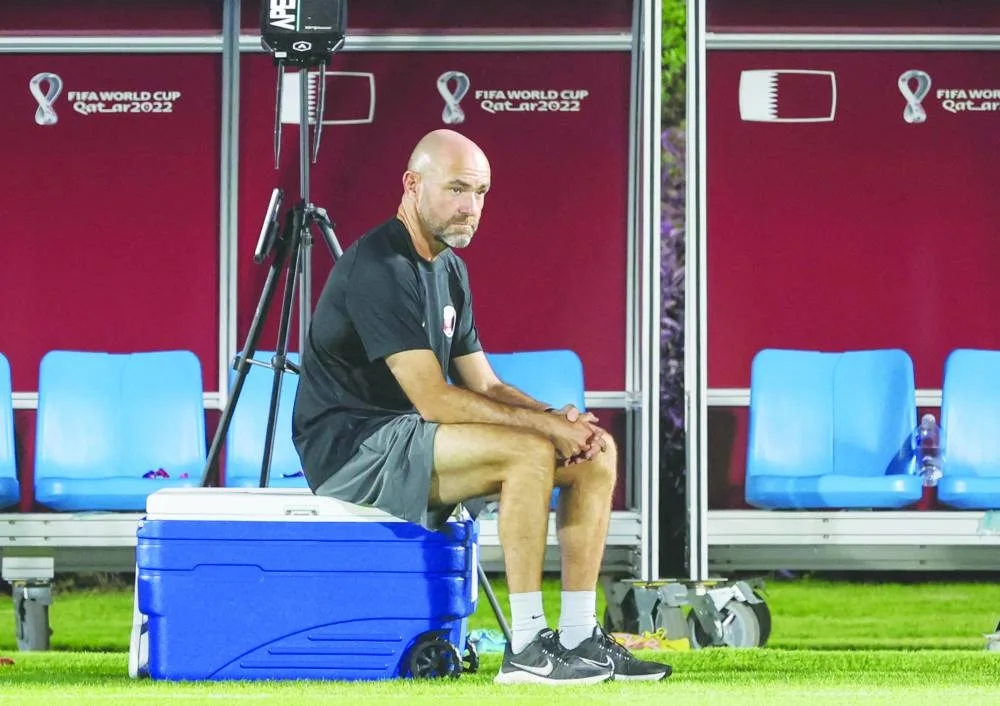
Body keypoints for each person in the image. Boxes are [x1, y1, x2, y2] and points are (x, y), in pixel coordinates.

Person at [292, 128, 671, 685]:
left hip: (411, 436)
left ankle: (578, 636)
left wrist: (561, 420)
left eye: (482, 193)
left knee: (598, 452)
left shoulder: (449, 268)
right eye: (458, 190)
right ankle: (525, 648)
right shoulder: (380, 265)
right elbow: (434, 397)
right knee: (527, 454)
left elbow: (486, 385)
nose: (472, 208)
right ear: (412, 185)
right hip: (354, 450)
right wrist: (541, 431)